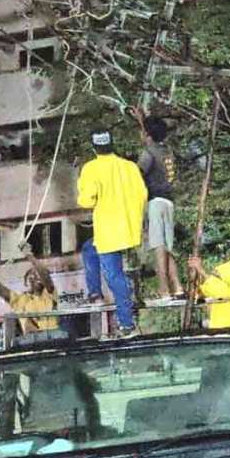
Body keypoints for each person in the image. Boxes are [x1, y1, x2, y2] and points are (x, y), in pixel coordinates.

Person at [77, 128, 147, 338]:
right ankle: (95, 293)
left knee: (114, 276)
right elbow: (143, 194)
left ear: (94, 147)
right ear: (112, 144)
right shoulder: (129, 167)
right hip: (128, 228)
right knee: (89, 250)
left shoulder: (91, 168)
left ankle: (126, 323)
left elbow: (86, 200)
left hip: (108, 230)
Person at [137, 117, 185, 300]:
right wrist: (140, 119)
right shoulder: (167, 152)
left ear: (147, 135)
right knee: (166, 247)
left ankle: (164, 290)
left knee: (158, 246)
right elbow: (149, 136)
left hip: (155, 202)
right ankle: (178, 287)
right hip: (169, 202)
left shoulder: (148, 153)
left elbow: (138, 174)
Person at [0, 245, 58, 336]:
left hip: (52, 339)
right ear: (26, 281)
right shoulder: (19, 300)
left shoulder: (49, 294)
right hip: (30, 342)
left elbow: (45, 275)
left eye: (38, 274)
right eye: (32, 275)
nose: (36, 277)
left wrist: (29, 255)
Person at [187, 256, 230, 329]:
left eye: (218, 277)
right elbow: (204, 291)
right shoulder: (224, 291)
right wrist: (197, 275)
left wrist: (201, 270)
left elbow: (218, 290)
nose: (216, 279)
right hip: (223, 333)